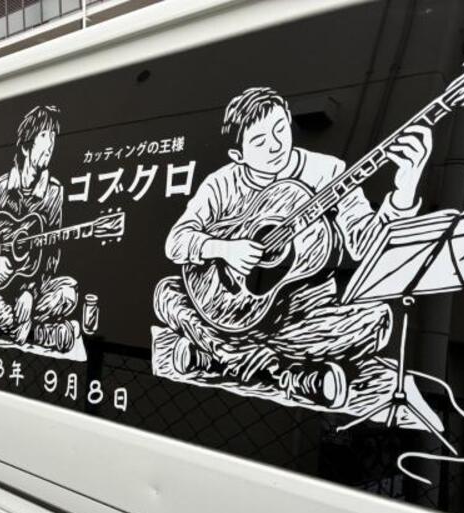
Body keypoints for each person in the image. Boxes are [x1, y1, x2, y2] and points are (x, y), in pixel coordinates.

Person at [154, 86, 433, 406]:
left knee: (376, 320)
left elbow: (362, 246)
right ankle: (287, 372)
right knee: (167, 293)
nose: (275, 145)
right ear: (238, 156)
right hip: (223, 306)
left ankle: (220, 356)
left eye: (280, 128)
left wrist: (403, 194)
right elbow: (176, 242)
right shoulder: (222, 182)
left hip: (299, 309)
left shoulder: (328, 172)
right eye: (259, 141)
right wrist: (224, 249)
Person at [0, 105, 78, 352]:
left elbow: (52, 254)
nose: (51, 144)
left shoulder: (54, 192)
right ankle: (39, 333)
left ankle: (8, 326)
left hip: (31, 285)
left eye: (53, 137)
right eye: (44, 136)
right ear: (26, 147)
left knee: (68, 292)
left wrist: (31, 292)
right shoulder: (0, 187)